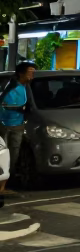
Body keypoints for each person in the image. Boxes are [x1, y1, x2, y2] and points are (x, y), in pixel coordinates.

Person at [0, 61, 35, 193]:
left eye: (33, 72)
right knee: (3, 156)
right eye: (30, 72)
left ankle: (6, 185)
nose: (32, 74)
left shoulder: (27, 87)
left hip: (17, 125)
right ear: (21, 73)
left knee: (13, 156)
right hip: (3, 125)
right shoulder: (10, 84)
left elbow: (29, 104)